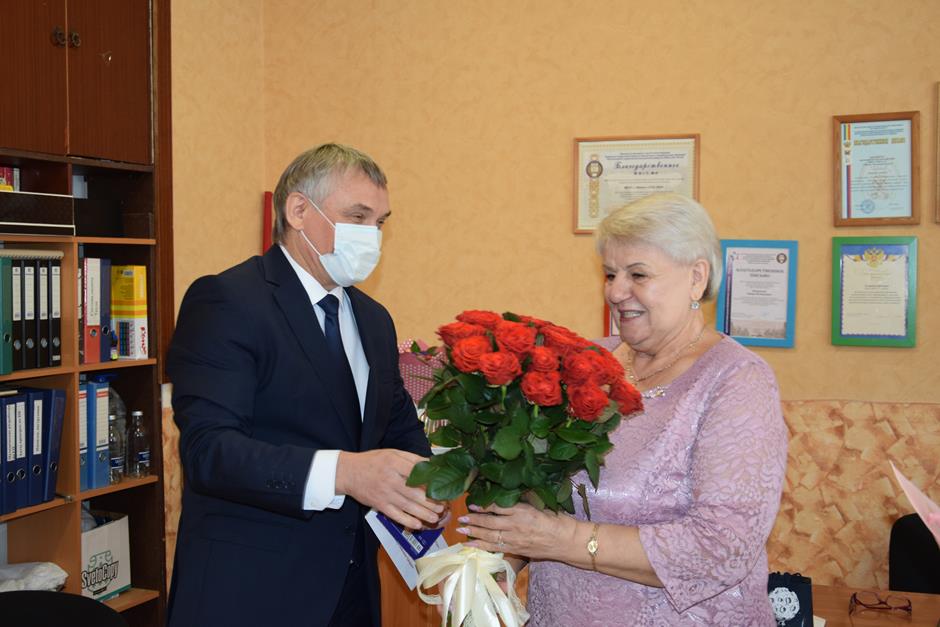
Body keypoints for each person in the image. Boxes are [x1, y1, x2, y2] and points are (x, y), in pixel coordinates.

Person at [458, 193, 788, 625]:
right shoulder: (587, 363)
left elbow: (722, 548)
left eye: (638, 274)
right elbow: (538, 492)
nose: (615, 291)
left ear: (696, 278)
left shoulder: (737, 380)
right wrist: (501, 565)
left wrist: (563, 540)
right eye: (610, 274)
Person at [165, 143, 444, 627]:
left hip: (352, 590)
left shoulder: (374, 320)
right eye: (358, 216)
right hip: (251, 592)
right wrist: (345, 473)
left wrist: (432, 488)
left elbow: (397, 429)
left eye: (380, 222)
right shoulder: (228, 301)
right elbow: (210, 452)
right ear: (298, 211)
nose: (372, 236)